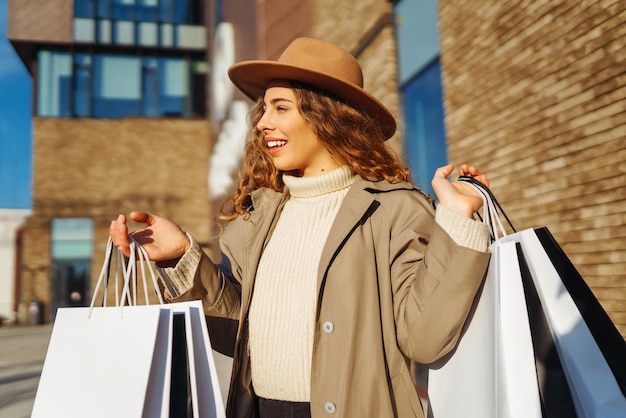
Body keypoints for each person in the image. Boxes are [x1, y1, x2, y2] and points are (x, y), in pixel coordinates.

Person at [110, 37, 491, 418]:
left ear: (326, 116)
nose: (262, 123)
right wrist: (183, 258)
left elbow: (424, 338)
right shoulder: (259, 216)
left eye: (280, 108)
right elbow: (237, 333)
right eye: (263, 109)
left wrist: (457, 220)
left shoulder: (393, 209)